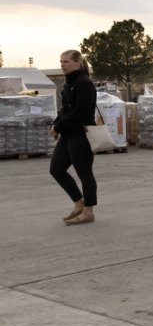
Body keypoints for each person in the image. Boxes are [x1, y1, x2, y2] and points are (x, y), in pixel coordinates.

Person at [50, 49, 98, 225]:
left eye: (66, 61)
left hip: (80, 134)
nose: (62, 64)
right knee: (56, 170)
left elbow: (80, 111)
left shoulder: (84, 83)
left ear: (78, 62)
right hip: (67, 134)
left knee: (84, 173)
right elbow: (65, 110)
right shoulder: (69, 83)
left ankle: (88, 212)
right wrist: (55, 124)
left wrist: (59, 126)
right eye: (61, 61)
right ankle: (79, 203)